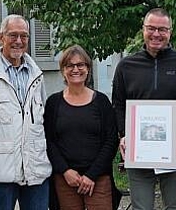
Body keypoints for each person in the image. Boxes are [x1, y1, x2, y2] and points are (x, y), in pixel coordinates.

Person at [111, 8, 176, 210]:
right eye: (151, 28)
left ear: (170, 31)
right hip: (138, 152)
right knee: (141, 207)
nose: (156, 34)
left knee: (175, 206)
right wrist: (124, 135)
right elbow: (118, 106)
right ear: (143, 29)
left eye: (162, 29)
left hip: (175, 152)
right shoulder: (126, 66)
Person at [0, 14, 52, 210]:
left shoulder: (37, 74)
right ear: (1, 37)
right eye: (13, 35)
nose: (19, 41)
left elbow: (43, 122)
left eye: (24, 36)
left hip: (35, 170)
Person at [44, 45, 119, 210]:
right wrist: (65, 171)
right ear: (63, 70)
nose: (75, 69)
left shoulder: (101, 102)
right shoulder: (53, 103)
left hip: (98, 179)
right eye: (70, 65)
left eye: (80, 65)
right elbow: (49, 141)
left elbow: (111, 140)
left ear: (88, 68)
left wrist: (92, 175)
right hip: (66, 179)